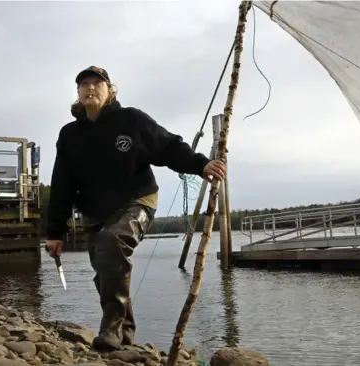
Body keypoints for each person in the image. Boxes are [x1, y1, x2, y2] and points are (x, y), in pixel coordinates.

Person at [45, 65, 226, 351]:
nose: (90, 88)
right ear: (78, 94)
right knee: (105, 270)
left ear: (110, 90)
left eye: (97, 83)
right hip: (96, 212)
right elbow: (61, 184)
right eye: (84, 85)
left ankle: (111, 330)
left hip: (137, 200)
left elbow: (168, 146)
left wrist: (200, 164)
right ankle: (124, 340)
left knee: (112, 241)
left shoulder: (131, 120)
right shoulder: (69, 135)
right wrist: (55, 231)